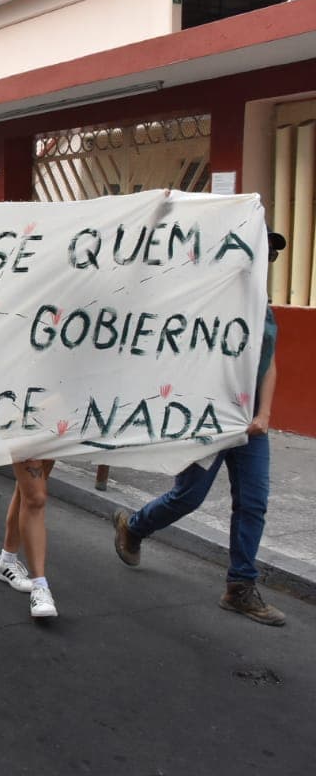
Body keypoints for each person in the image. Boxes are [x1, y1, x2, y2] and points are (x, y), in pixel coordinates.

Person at [111, 231, 287, 627]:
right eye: (265, 251)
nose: (268, 259)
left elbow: (269, 364)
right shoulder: (213, 301)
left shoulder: (263, 308)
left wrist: (266, 414)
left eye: (273, 254)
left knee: (253, 503)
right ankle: (134, 527)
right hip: (212, 421)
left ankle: (239, 587)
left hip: (250, 427)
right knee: (188, 497)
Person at [0, 461, 59, 619]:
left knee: (27, 489)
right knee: (36, 497)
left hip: (53, 435)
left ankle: (6, 561)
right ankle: (40, 587)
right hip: (24, 435)